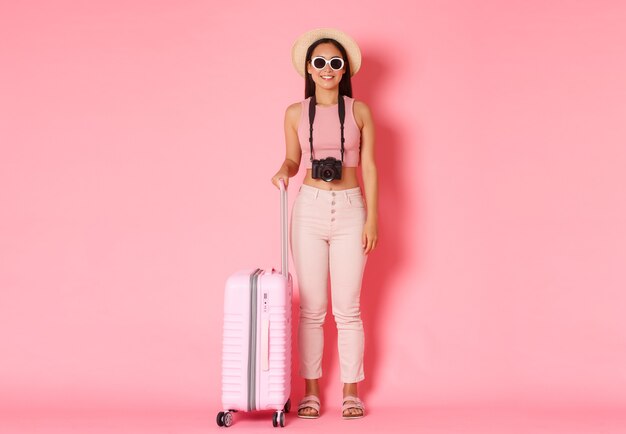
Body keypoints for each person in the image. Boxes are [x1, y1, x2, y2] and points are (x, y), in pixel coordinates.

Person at [271, 28, 378, 420]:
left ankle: (352, 392)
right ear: (309, 69)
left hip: (351, 208)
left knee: (348, 310)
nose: (328, 69)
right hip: (310, 208)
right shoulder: (296, 113)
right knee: (312, 310)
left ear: (345, 68)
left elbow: (368, 166)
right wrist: (282, 170)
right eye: (320, 63)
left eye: (335, 62)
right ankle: (311, 391)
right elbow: (293, 160)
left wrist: (373, 218)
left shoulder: (360, 111)